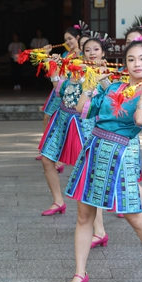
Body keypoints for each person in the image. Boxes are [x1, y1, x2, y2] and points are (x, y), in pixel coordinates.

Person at [63, 40, 142, 282]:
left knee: (134, 216)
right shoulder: (113, 85)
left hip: (121, 155)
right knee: (84, 217)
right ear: (125, 64)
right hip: (94, 151)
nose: (137, 64)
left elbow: (140, 119)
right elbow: (82, 110)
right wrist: (90, 83)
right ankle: (79, 273)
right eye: (131, 59)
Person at [38, 35, 106, 216]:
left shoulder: (104, 74)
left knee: (86, 169)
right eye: (88, 50)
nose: (92, 53)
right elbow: (59, 90)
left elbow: (103, 99)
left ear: (103, 53)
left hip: (83, 125)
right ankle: (58, 201)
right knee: (46, 159)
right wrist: (53, 67)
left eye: (96, 49)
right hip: (61, 119)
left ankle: (97, 223)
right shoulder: (74, 70)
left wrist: (98, 78)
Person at [37, 27, 82, 162]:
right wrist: (47, 57)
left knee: (60, 125)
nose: (68, 42)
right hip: (59, 90)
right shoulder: (65, 55)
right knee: (47, 119)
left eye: (70, 39)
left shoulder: (82, 56)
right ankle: (48, 151)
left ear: (78, 38)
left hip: (69, 95)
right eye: (66, 40)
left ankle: (56, 157)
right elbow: (55, 74)